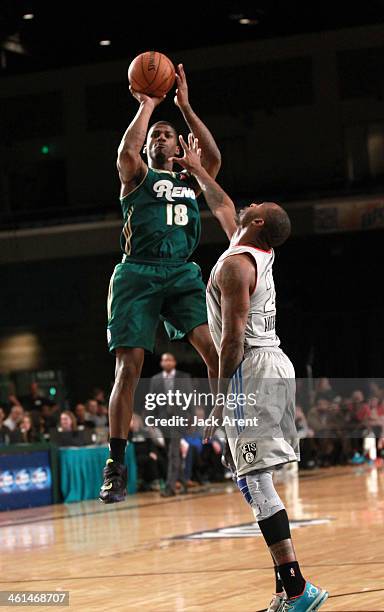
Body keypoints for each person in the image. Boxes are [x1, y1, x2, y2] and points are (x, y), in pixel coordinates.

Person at [174, 134, 328, 612]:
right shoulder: (249, 248)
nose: (248, 202)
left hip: (253, 369)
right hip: (270, 365)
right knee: (251, 479)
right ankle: (288, 592)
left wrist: (218, 399)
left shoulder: (237, 268)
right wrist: (197, 166)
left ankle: (299, 591)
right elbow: (222, 203)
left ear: (256, 222)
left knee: (255, 481)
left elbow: (232, 341)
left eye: (255, 204)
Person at [99, 64, 221, 503]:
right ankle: (116, 463)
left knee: (214, 349)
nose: (160, 138)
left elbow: (214, 158)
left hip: (182, 272)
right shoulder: (138, 176)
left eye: (167, 135)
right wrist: (148, 106)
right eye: (156, 136)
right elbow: (125, 155)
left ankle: (223, 425)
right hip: (137, 272)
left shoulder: (190, 178)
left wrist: (185, 107)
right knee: (129, 367)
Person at [148, 352, 193, 496]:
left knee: (173, 453)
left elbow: (190, 398)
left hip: (179, 420)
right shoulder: (155, 379)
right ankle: (184, 482)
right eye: (164, 360)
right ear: (161, 363)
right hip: (163, 421)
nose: (166, 362)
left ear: (174, 362)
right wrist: (151, 418)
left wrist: (191, 417)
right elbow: (152, 400)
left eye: (169, 360)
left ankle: (170, 487)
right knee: (171, 454)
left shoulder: (184, 377)